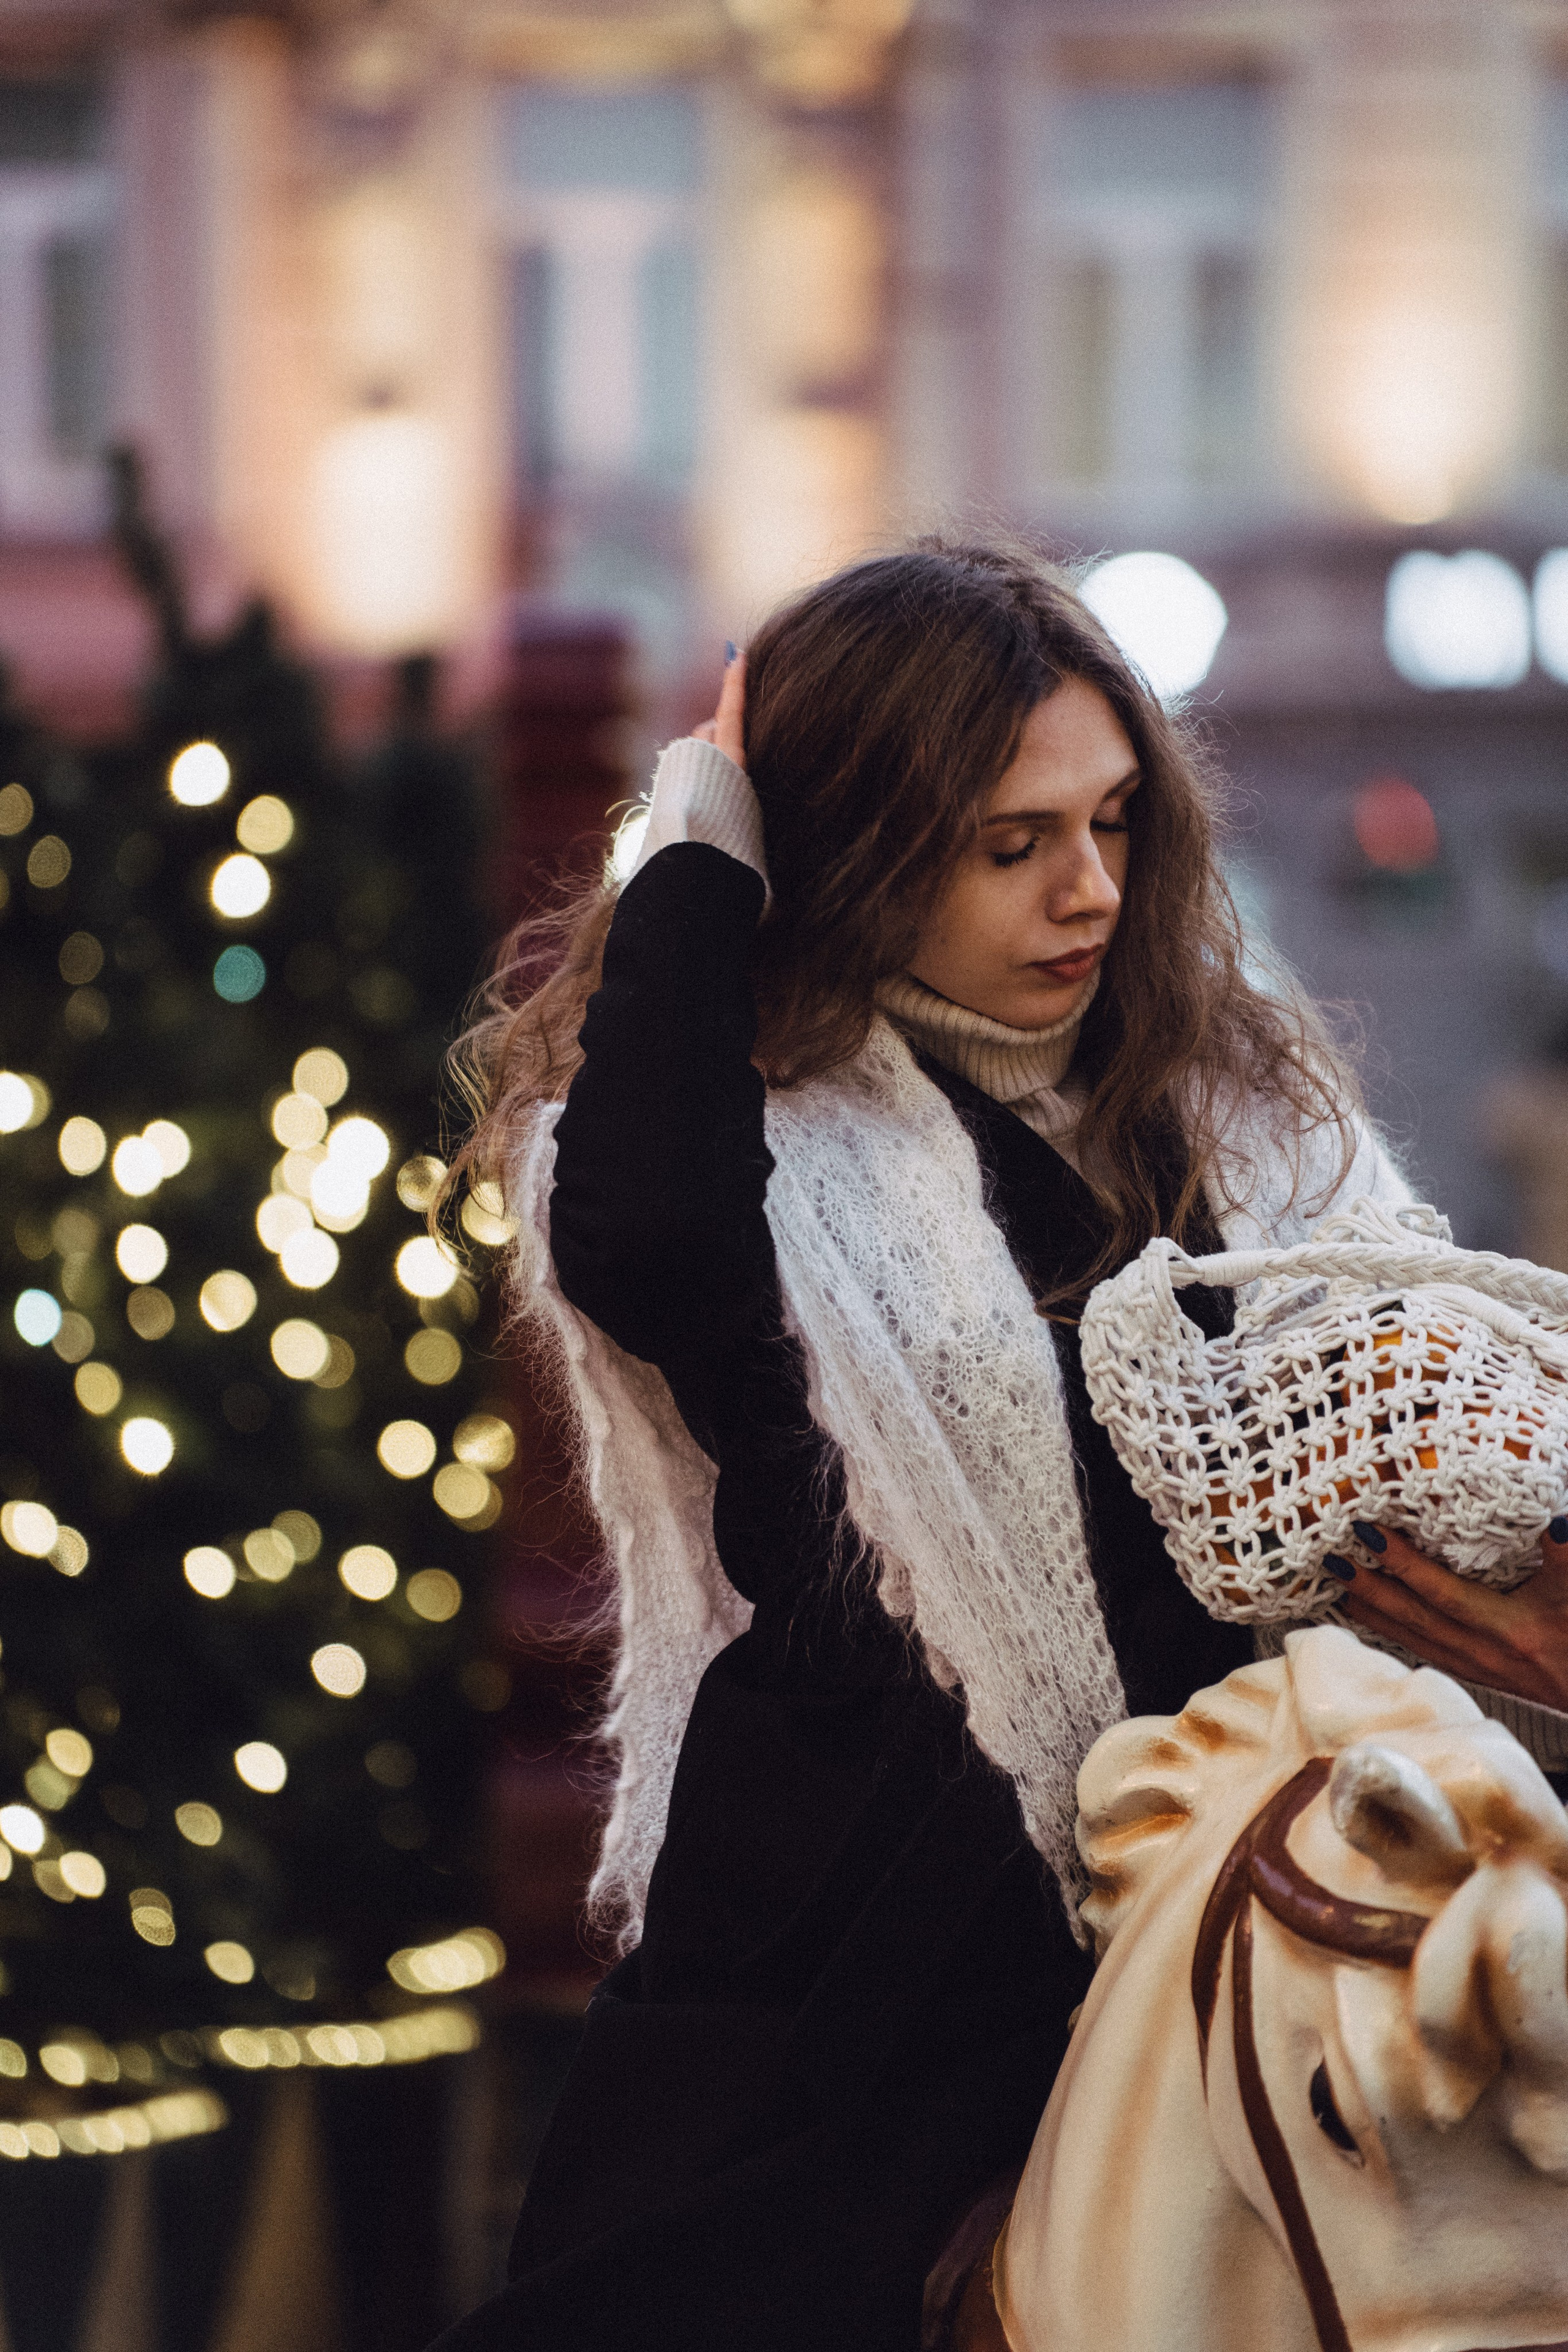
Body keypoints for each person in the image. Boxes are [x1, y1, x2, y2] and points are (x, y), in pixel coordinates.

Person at [431, 541, 1513, 2352]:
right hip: (852, 1981)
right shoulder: (748, 1134)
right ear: (854, 851)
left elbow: (1448, 1409)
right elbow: (652, 1241)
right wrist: (708, 814)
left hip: (1257, 1924)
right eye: (1011, 845)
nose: (1088, 890)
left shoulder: (1239, 1105)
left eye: (1110, 824)